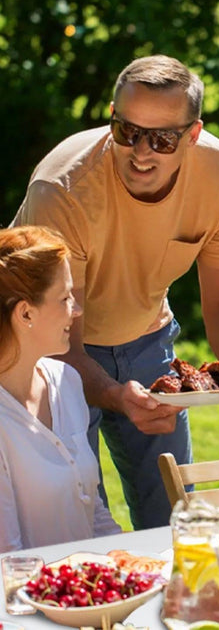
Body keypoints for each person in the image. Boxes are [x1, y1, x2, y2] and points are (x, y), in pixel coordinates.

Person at [12, 55, 219, 530]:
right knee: (74, 522)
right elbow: (59, 342)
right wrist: (116, 395)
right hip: (43, 353)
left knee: (172, 518)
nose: (142, 152)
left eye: (163, 139)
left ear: (194, 134)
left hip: (146, 340)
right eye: (128, 132)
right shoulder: (63, 190)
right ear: (111, 119)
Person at [0, 226, 122, 551]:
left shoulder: (66, 380)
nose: (77, 310)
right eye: (65, 298)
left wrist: (133, 563)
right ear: (26, 312)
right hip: (31, 598)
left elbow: (92, 510)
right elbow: (8, 562)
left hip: (89, 592)